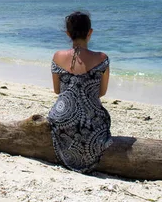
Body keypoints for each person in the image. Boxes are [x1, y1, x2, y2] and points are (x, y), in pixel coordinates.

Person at [47, 11, 113, 173]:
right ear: (90, 32)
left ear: (68, 33)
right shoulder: (102, 58)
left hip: (61, 119)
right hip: (90, 123)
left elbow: (57, 91)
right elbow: (101, 92)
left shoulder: (57, 56)